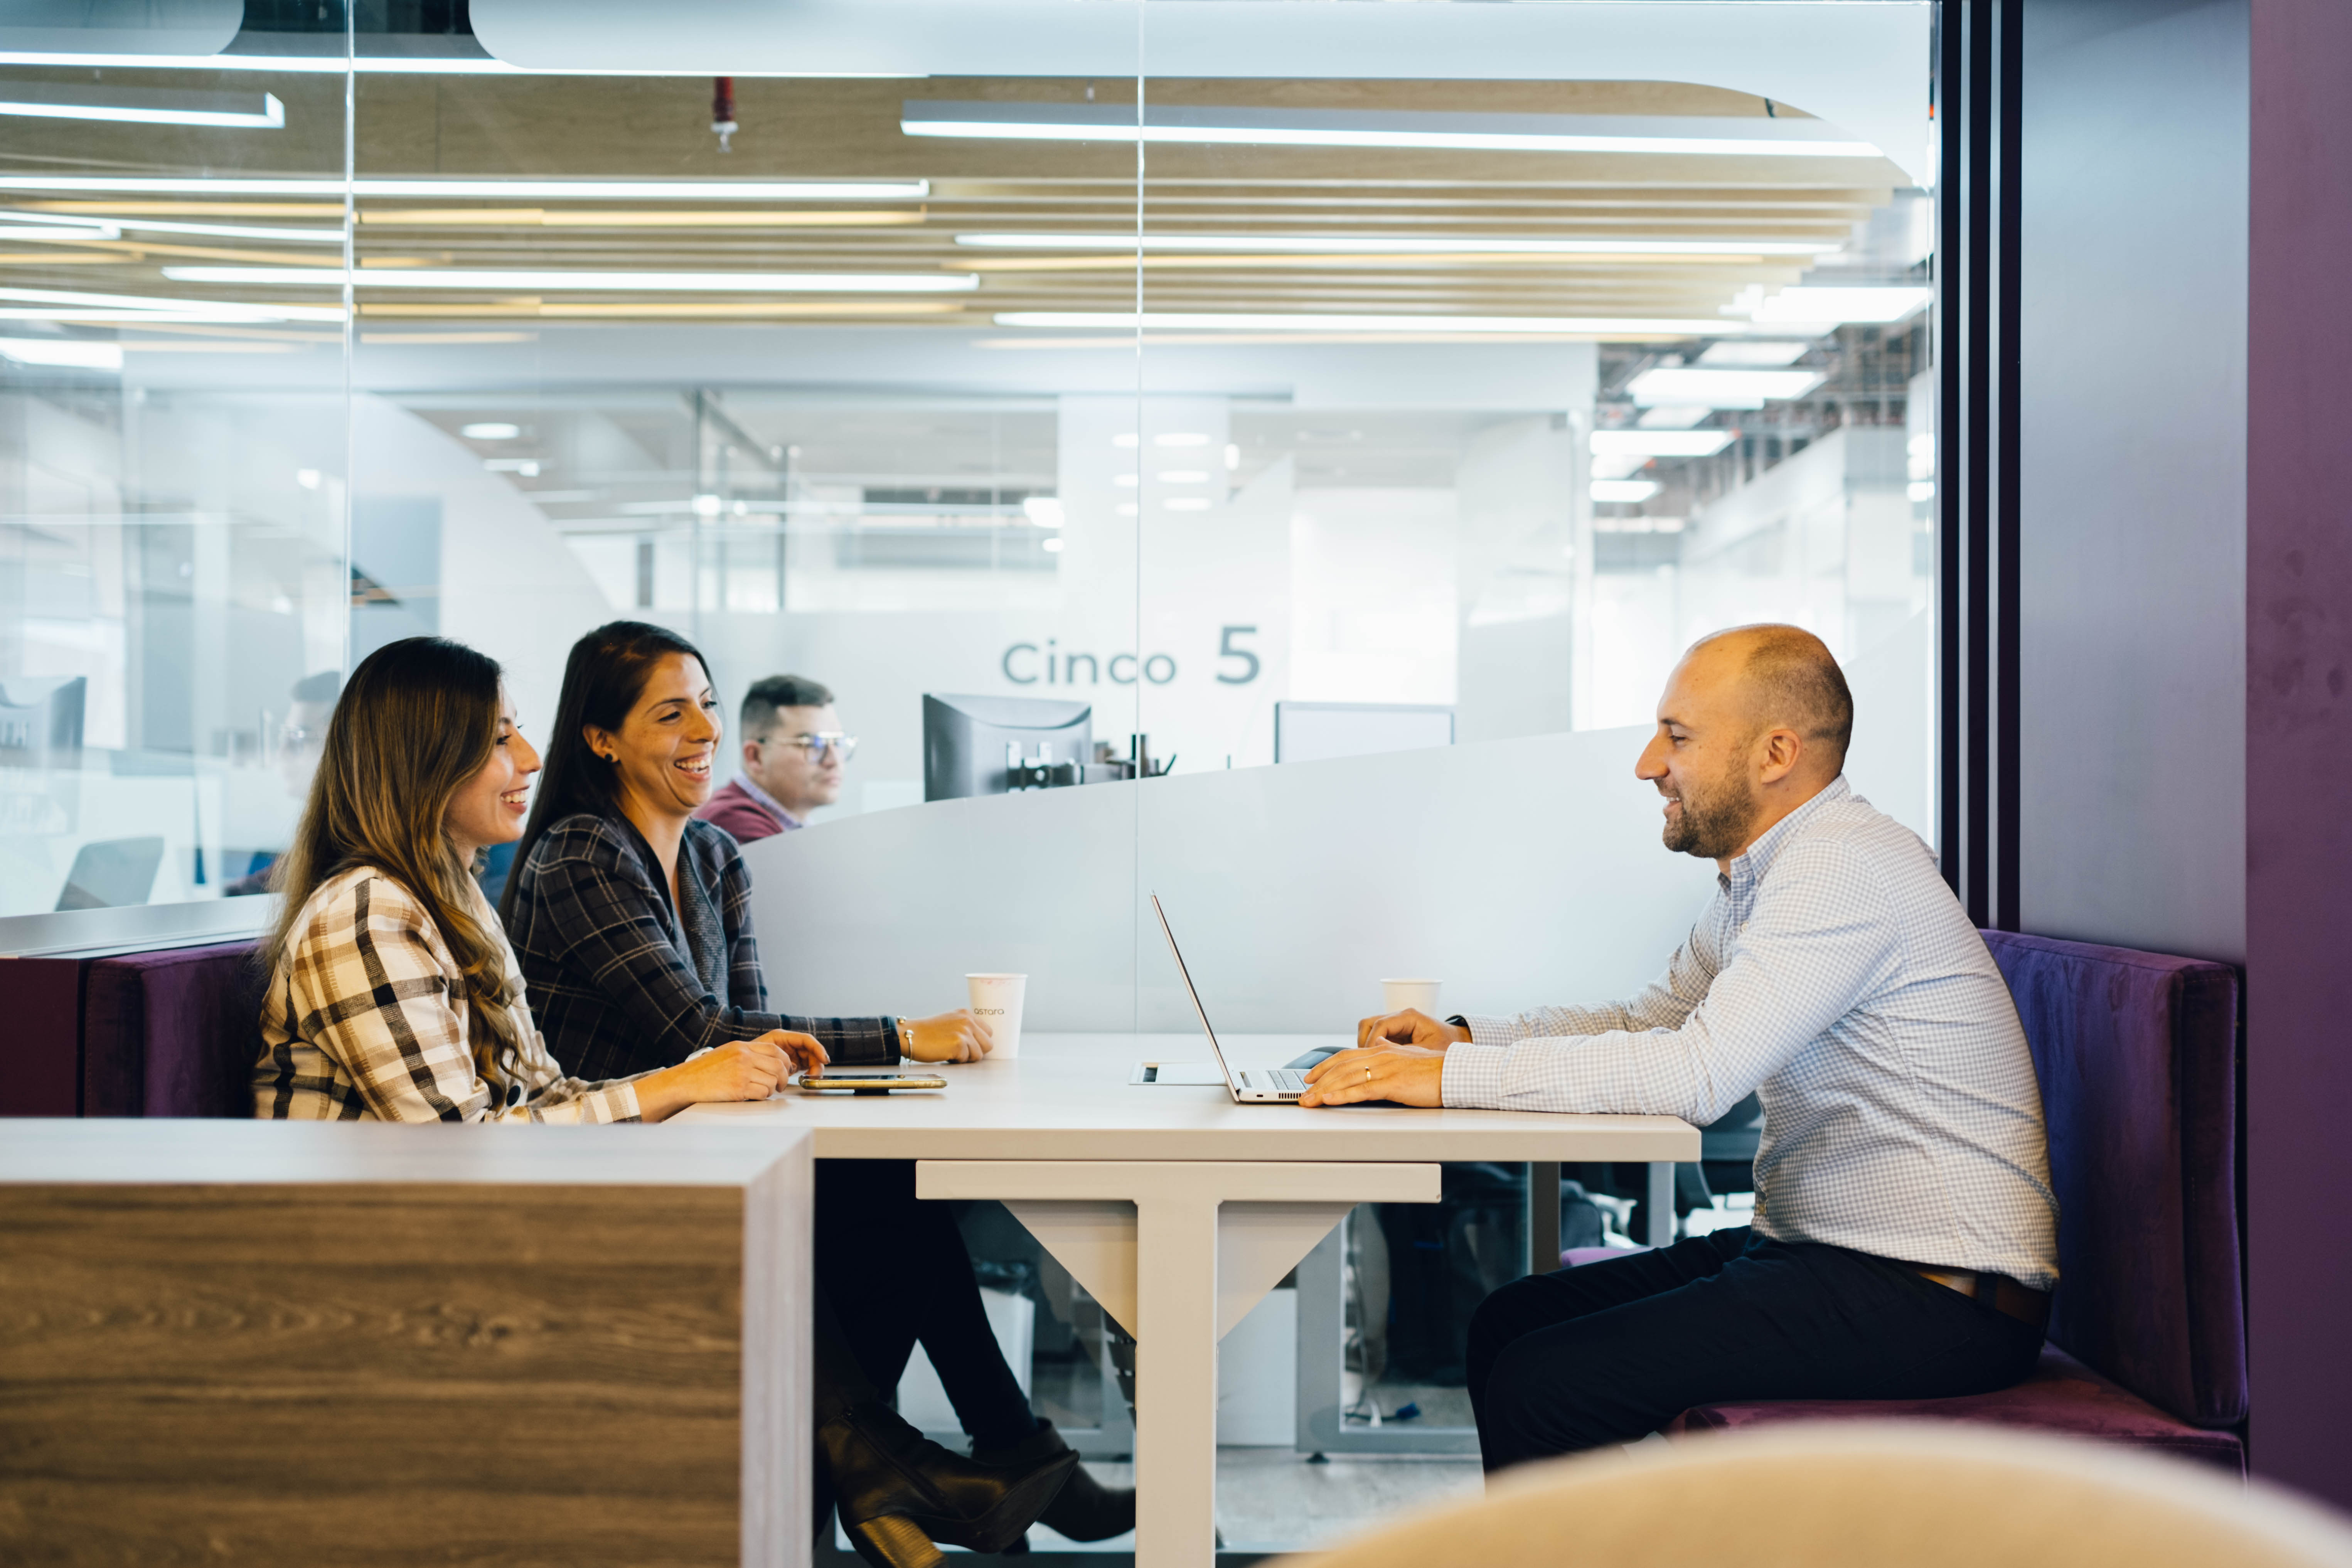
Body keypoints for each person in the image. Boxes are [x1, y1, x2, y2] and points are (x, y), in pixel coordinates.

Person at [253, 633, 1079, 1568]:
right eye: (497, 741)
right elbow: (464, 1148)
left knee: (869, 1203)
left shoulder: (452, 896)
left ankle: (888, 1476)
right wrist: (683, 1083)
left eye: (521, 734)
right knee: (816, 1221)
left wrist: (682, 1084)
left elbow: (548, 1089)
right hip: (386, 1263)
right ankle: (895, 1476)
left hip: (480, 1211)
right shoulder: (372, 910)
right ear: (419, 757)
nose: (528, 758)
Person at [1301, 623, 2058, 1472]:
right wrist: (1465, 1040)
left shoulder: (1843, 865)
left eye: (1678, 735)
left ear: (1775, 751)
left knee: (1542, 1379)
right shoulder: (1770, 871)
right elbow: (1653, 1018)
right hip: (1828, 1258)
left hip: (1934, 1297)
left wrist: (1444, 1080)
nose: (1646, 763)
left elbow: (1698, 1073)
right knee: (1509, 1323)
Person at [500, 620, 1132, 1559]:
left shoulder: (713, 860)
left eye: (707, 707)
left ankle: (911, 1472)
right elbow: (700, 1035)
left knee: (899, 1194)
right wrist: (900, 1040)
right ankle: (913, 1473)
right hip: (607, 1164)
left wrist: (859, 1069)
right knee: (894, 1215)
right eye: (670, 715)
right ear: (600, 738)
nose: (703, 733)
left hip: (706, 1155)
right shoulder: (582, 856)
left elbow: (756, 1042)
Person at [696, 672, 851, 844]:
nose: (834, 760)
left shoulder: (788, 825)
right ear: (756, 757)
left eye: (838, 742)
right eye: (812, 744)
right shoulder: (736, 824)